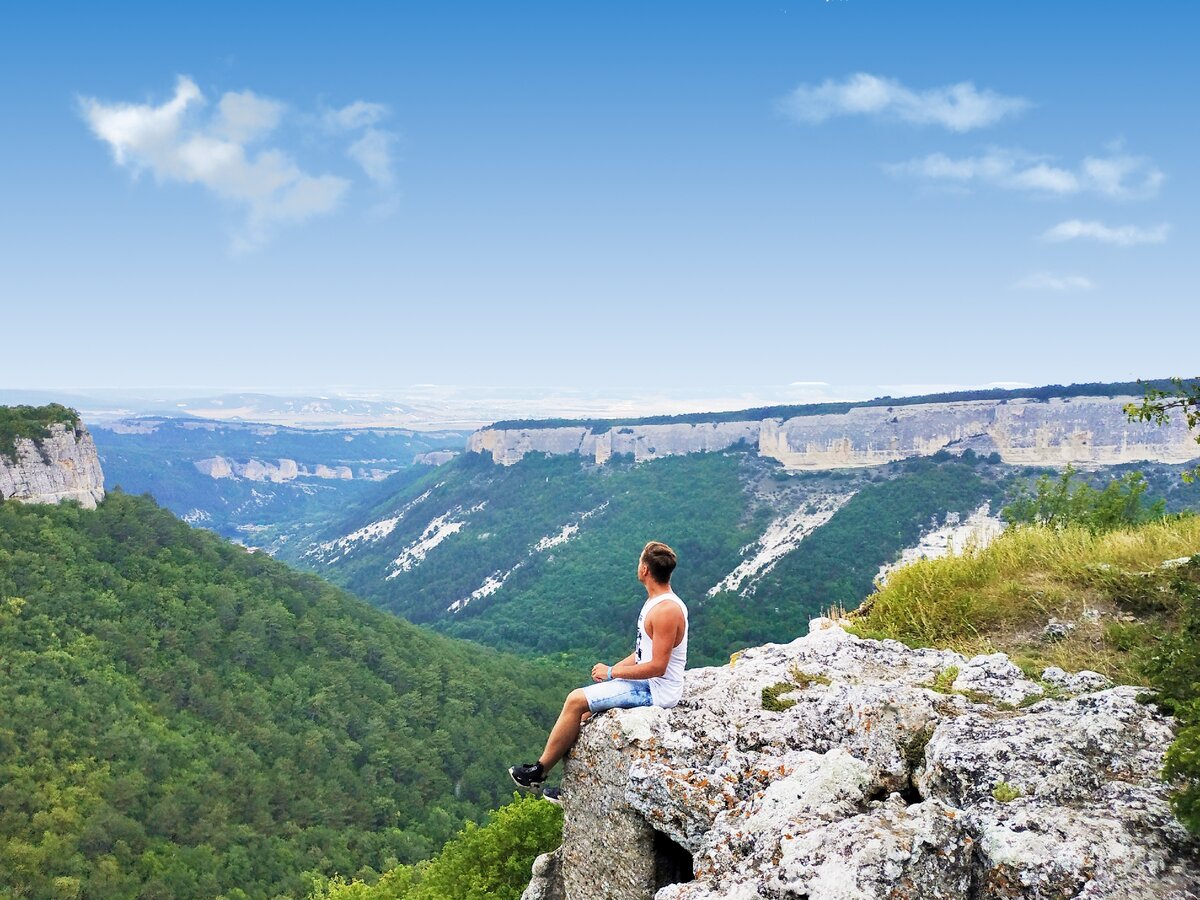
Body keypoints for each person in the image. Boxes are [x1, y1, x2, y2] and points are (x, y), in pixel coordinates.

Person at [509, 540, 688, 790]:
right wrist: (613, 674)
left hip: (657, 691)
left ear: (645, 570)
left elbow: (657, 665)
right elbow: (642, 653)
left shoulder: (665, 611)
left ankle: (538, 772)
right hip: (649, 683)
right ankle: (574, 787)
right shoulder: (660, 603)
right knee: (583, 713)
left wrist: (612, 672)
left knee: (575, 700)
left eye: (639, 562)